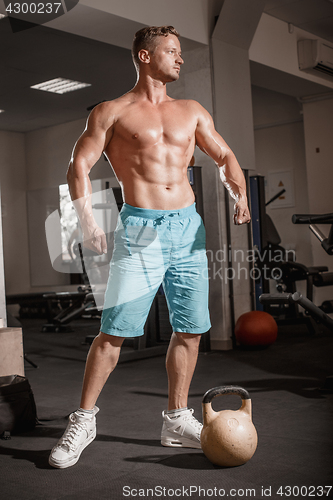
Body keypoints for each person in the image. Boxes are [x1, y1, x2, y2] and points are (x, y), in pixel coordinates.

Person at [49, 25, 251, 469]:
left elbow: (224, 155)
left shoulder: (191, 110)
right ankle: (84, 419)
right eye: (172, 51)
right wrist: (86, 221)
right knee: (115, 331)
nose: (180, 59)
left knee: (191, 327)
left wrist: (239, 194)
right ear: (144, 56)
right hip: (140, 226)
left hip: (188, 227)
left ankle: (176, 418)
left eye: (180, 52)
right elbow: (78, 166)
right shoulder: (111, 111)